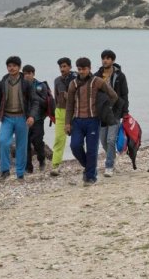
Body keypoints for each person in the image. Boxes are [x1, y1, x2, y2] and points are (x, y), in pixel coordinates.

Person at [65, 57, 118, 186]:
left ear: (89, 68)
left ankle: (90, 177)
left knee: (92, 150)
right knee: (75, 146)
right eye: (79, 69)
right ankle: (89, 167)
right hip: (77, 121)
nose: (81, 71)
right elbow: (69, 105)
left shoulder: (97, 81)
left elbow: (113, 96)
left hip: (93, 120)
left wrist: (105, 108)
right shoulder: (73, 84)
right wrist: (67, 123)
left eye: (84, 69)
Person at [0, 56, 39, 181]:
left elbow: (35, 101)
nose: (12, 68)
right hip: (7, 118)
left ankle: (20, 173)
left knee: (21, 146)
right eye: (9, 66)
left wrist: (31, 116)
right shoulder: (2, 83)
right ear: (7, 67)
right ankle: (5, 171)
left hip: (22, 118)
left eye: (14, 66)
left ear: (19, 67)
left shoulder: (26, 83)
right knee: (3, 142)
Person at [94, 49, 129, 177]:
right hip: (101, 112)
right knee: (103, 140)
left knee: (111, 139)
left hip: (115, 112)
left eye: (108, 58)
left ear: (113, 60)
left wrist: (125, 111)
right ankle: (112, 157)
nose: (105, 60)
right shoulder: (96, 76)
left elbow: (124, 94)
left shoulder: (120, 76)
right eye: (103, 58)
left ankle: (109, 165)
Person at [50, 57, 76, 176]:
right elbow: (56, 97)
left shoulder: (76, 78)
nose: (62, 69)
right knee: (59, 139)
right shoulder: (57, 80)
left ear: (70, 67)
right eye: (60, 67)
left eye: (64, 66)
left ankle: (86, 162)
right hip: (60, 111)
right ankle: (56, 165)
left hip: (75, 112)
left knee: (78, 139)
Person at [22, 65, 49, 173]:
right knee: (25, 144)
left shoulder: (40, 86)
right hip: (23, 120)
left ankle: (42, 161)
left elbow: (45, 102)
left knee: (37, 142)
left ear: (33, 74)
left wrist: (33, 95)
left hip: (38, 119)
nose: (27, 76)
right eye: (25, 73)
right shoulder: (20, 86)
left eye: (29, 73)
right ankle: (28, 167)